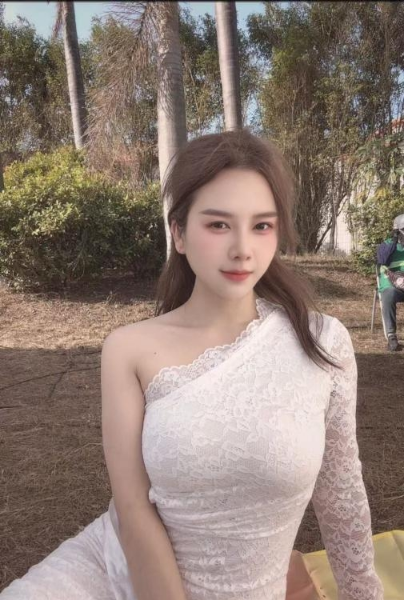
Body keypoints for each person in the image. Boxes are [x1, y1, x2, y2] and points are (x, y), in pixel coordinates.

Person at [0, 129, 384, 600]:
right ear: (179, 233)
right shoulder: (128, 348)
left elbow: (341, 494)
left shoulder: (321, 341)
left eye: (262, 226)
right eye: (218, 225)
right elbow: (133, 507)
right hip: (114, 567)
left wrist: (364, 594)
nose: (242, 248)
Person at [376, 213, 404, 352]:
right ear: (397, 231)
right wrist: (394, 241)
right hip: (392, 285)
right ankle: (391, 335)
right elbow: (382, 260)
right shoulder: (386, 245)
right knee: (389, 293)